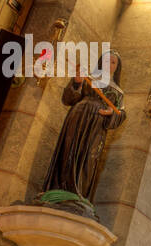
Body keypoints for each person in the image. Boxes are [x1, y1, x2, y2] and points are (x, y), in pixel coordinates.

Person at [42, 51, 126, 210]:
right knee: (69, 149)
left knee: (90, 157)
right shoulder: (88, 78)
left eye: (114, 62)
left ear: (117, 67)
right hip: (78, 117)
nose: (110, 64)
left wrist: (111, 113)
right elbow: (68, 99)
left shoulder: (118, 92)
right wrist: (77, 83)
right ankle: (60, 187)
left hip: (97, 126)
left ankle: (79, 192)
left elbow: (121, 113)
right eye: (107, 60)